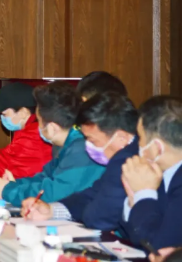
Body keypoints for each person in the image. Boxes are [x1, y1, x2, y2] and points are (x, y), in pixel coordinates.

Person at [22, 92, 139, 235]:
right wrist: (51, 210)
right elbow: (91, 195)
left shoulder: (129, 160)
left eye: (92, 140)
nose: (87, 145)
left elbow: (98, 218)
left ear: (121, 138)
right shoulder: (124, 155)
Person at [0, 81, 104, 206]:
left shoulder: (81, 148)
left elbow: (53, 193)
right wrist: (13, 185)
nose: (37, 127)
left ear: (52, 128)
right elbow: (44, 178)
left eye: (39, 121)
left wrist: (8, 191)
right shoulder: (67, 143)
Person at [121, 96, 182, 251]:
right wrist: (134, 198)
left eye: (140, 138)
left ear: (156, 147)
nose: (138, 145)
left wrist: (144, 194)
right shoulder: (162, 172)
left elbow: (160, 248)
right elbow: (137, 236)